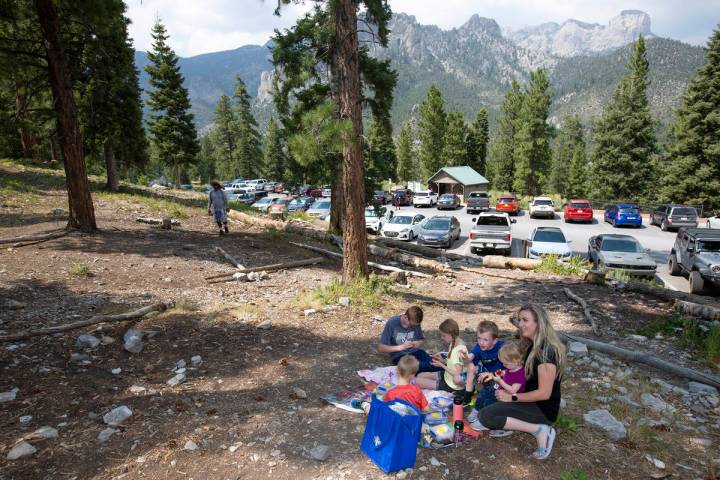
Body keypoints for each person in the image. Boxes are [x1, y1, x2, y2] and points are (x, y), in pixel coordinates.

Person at [479, 304, 566, 460]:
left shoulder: (547, 352)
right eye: (519, 320)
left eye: (525, 320)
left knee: (486, 417)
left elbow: (544, 394)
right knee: (489, 391)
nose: (520, 324)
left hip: (542, 409)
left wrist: (512, 397)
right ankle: (510, 423)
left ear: (538, 322)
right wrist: (493, 375)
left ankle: (540, 430)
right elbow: (513, 369)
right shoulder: (529, 344)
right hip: (524, 396)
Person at [469, 339, 529, 437]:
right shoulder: (511, 368)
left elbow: (513, 390)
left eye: (506, 364)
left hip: (511, 400)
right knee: (485, 390)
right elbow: (503, 372)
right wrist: (492, 375)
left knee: (491, 399)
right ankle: (478, 411)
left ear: (516, 361)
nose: (504, 366)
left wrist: (500, 381)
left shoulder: (520, 374)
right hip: (501, 392)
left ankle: (489, 423)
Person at [354, 354, 429, 415]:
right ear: (413, 375)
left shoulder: (390, 392)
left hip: (394, 423)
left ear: (397, 370)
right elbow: (426, 409)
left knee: (371, 408)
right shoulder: (417, 390)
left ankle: (364, 405)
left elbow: (385, 409)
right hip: (411, 423)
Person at [378, 306, 441, 373]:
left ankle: (442, 372)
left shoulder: (415, 323)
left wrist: (417, 343)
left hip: (415, 351)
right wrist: (401, 347)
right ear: (405, 317)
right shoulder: (392, 323)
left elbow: (420, 339)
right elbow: (381, 348)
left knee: (434, 362)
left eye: (415, 325)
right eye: (411, 324)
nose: (412, 327)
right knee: (419, 367)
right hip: (399, 355)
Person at [415, 319, 468, 394]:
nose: (442, 338)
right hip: (447, 375)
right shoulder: (454, 343)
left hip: (452, 385)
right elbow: (453, 364)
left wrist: (441, 365)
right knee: (421, 375)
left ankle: (448, 389)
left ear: (451, 334)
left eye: (444, 336)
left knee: (417, 381)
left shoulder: (458, 351)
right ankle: (438, 381)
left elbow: (458, 374)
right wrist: (442, 360)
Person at [461, 321, 504, 410]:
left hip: (501, 376)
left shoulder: (502, 348)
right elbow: (470, 358)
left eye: (485, 340)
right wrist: (465, 357)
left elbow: (510, 368)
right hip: (486, 373)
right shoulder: (479, 347)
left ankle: (483, 395)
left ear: (495, 340)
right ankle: (468, 395)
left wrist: (493, 375)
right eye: (479, 338)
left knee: (489, 396)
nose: (481, 342)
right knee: (469, 367)